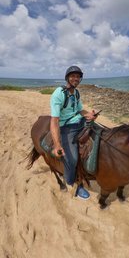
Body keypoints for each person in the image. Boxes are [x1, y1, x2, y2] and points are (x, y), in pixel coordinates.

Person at [50, 65, 97, 200]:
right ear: (67, 78)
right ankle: (71, 183)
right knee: (72, 159)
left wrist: (89, 115)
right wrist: (57, 144)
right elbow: (54, 121)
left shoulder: (76, 93)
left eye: (78, 76)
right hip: (66, 127)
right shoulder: (59, 93)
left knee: (100, 134)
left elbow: (79, 110)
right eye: (73, 76)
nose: (76, 78)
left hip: (79, 121)